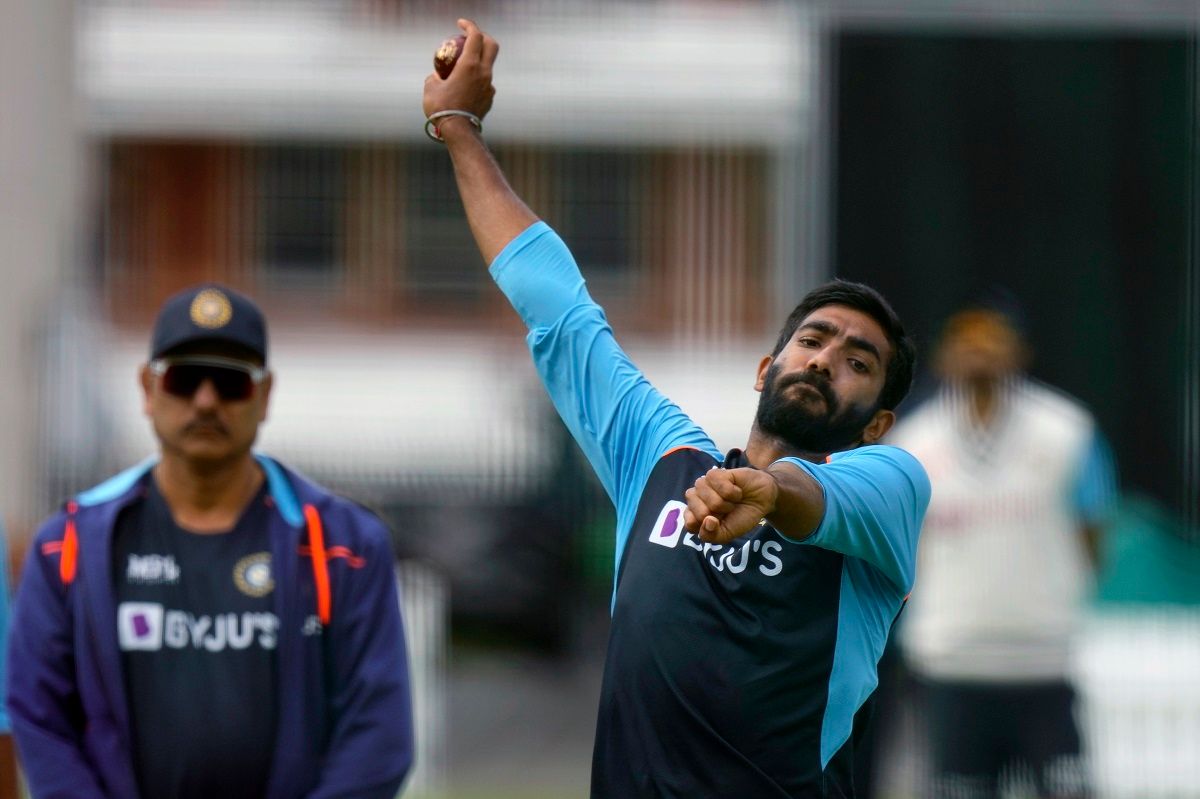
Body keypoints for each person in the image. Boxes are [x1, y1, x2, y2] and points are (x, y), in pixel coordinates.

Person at [423, 20, 930, 797]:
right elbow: (560, 308)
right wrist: (459, 129)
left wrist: (770, 489)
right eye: (814, 340)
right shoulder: (662, 458)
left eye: (858, 362)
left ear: (877, 422)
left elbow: (814, 494)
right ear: (768, 366)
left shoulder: (889, 488)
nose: (826, 359)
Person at [6, 285, 414, 799]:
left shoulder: (346, 546)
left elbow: (379, 731)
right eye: (184, 378)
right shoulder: (64, 546)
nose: (206, 400)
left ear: (265, 396)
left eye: (230, 382)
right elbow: (40, 717)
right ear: (147, 389)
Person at [888, 297, 1117, 798]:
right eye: (967, 343)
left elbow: (1094, 530)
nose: (980, 355)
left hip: (1042, 658)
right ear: (944, 356)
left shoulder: (1067, 431)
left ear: (1020, 352)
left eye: (993, 342)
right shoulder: (913, 442)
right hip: (949, 660)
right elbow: (901, 549)